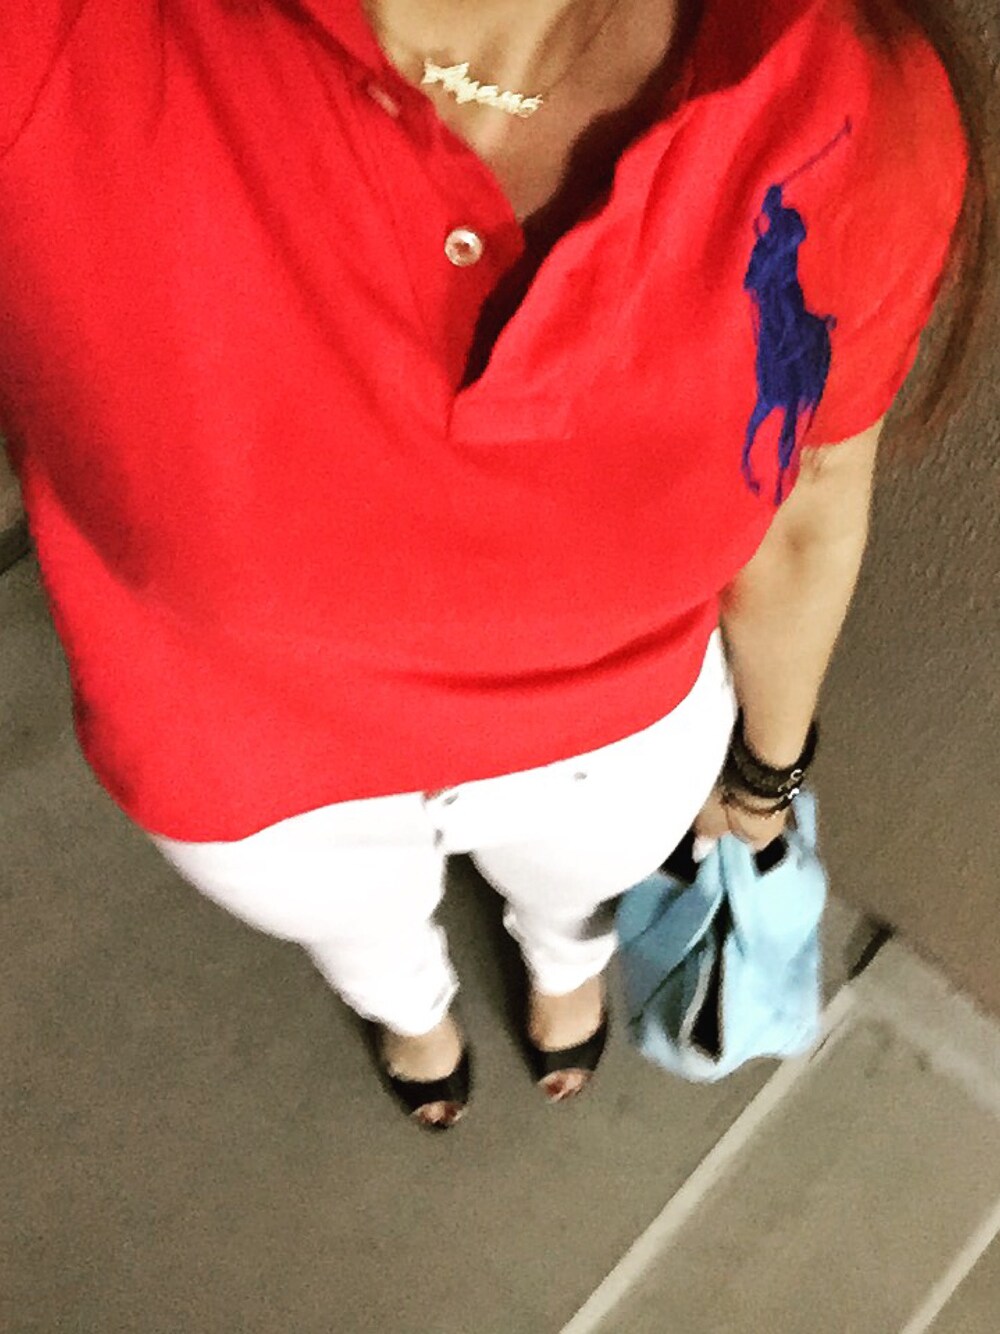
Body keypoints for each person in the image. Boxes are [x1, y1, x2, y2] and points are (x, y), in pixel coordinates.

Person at [0, 0, 983, 1130]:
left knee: (577, 900)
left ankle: (564, 962)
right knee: (360, 933)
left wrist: (766, 777)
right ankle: (408, 1004)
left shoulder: (849, 107)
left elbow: (808, 500)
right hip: (250, 777)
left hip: (614, 752)